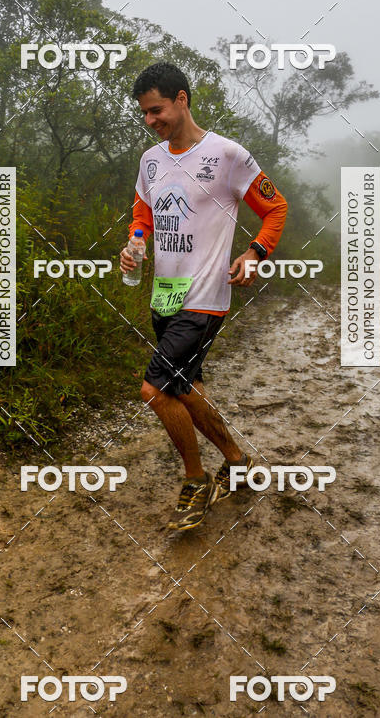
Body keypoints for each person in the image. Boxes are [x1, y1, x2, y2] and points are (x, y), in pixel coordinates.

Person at [120, 62, 287, 530]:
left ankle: (196, 482)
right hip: (165, 297)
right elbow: (143, 210)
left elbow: (275, 207)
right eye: (145, 115)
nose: (151, 121)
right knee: (184, 388)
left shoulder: (229, 155)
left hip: (205, 297)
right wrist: (135, 241)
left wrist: (256, 252)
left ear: (182, 99)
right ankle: (235, 462)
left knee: (154, 389)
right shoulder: (151, 161)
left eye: (157, 111)